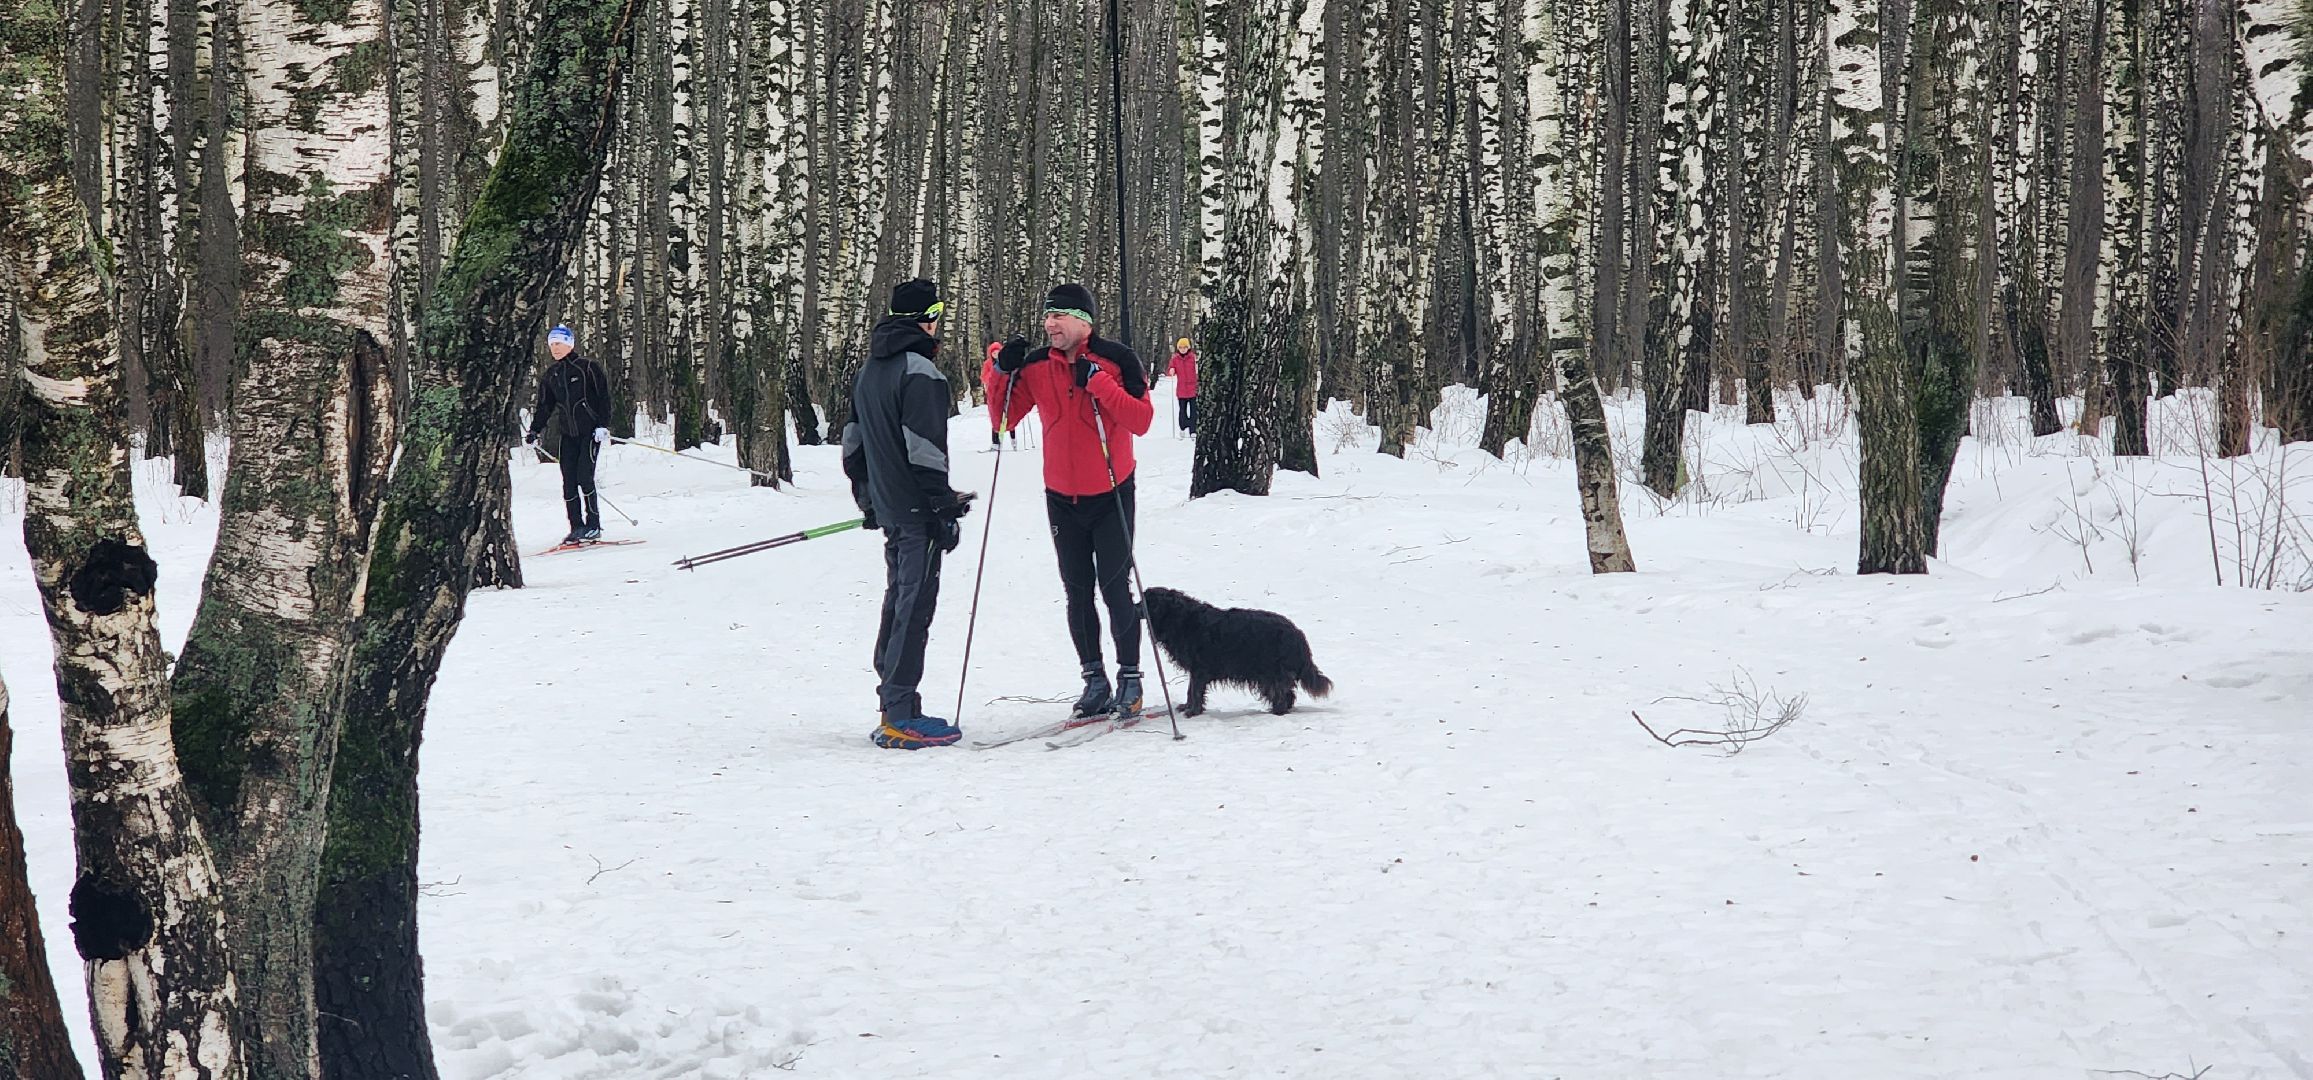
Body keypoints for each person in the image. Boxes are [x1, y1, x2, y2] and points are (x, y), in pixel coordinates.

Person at [982, 284, 1155, 721]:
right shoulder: (1038, 366)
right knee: (1076, 591)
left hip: (1113, 491)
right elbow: (1002, 418)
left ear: (1084, 322)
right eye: (1047, 316)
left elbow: (1142, 420)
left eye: (1059, 316)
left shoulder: (1118, 361)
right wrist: (1000, 370)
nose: (1050, 324)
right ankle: (1094, 679)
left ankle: (1130, 679)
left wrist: (1100, 386)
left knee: (1115, 588)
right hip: (1062, 497)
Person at [843, 279, 976, 750]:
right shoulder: (919, 371)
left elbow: (853, 449)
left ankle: (895, 701)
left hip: (894, 507)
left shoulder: (870, 369)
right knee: (913, 607)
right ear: (928, 318)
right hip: (915, 512)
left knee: (899, 600)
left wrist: (870, 500)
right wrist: (942, 508)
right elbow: (926, 452)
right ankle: (899, 712)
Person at [524, 324, 612, 545]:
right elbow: (545, 406)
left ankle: (593, 525)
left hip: (590, 433)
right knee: (568, 480)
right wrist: (535, 430)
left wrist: (602, 425)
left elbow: (604, 397)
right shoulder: (551, 375)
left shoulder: (588, 367)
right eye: (552, 344)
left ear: (569, 344)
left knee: (585, 476)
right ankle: (576, 526)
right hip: (568, 435)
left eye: (559, 343)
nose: (555, 348)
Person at [1169, 337, 1199, 434]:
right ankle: (1182, 428)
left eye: (1185, 347)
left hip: (1193, 389)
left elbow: (1197, 369)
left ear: (1188, 348)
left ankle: (1193, 429)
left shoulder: (1193, 358)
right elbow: (1170, 368)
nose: (1183, 349)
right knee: (1182, 411)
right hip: (1181, 390)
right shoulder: (1175, 359)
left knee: (1193, 411)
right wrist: (1172, 370)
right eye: (1181, 347)